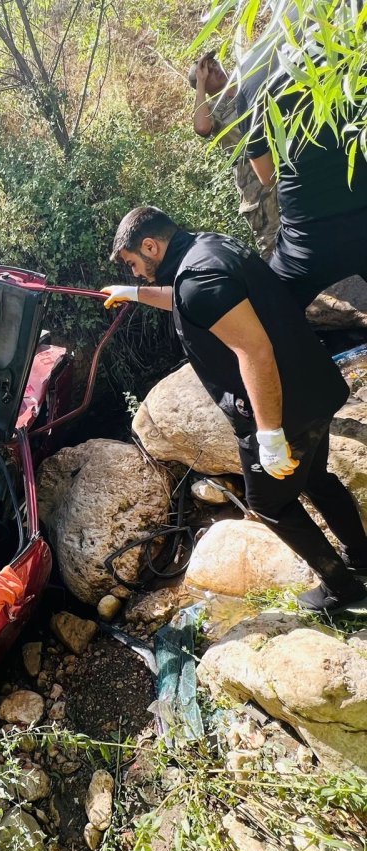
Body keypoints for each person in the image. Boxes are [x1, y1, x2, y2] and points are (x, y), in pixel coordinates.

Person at [102, 206, 367, 613]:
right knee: (315, 478)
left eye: (133, 264)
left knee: (270, 504)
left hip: (283, 409)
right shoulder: (208, 249)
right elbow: (193, 301)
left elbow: (254, 352)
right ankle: (361, 556)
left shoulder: (196, 280)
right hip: (313, 387)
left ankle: (341, 587)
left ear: (151, 246)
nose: (134, 271)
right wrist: (134, 294)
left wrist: (270, 434)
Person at [236, 47, 367, 308]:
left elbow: (267, 176)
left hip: (307, 238)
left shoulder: (251, 74)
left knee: (269, 311)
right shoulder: (348, 20)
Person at [189, 51, 279, 259]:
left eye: (215, 64)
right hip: (256, 185)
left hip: (282, 163)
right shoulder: (212, 110)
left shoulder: (249, 86)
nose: (216, 70)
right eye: (208, 72)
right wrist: (201, 82)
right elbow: (201, 127)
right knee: (271, 242)